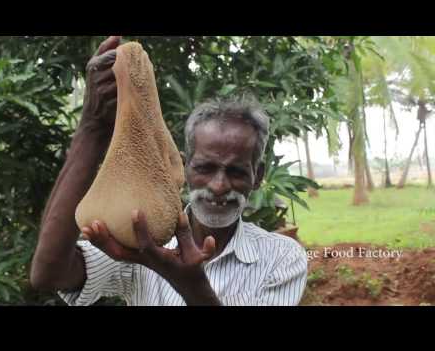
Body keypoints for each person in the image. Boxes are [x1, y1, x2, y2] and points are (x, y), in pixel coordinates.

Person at [30, 36, 308, 306]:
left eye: (236, 172)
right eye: (205, 168)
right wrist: (92, 127)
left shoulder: (281, 256)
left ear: (257, 177)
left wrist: (189, 285)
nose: (219, 186)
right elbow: (48, 274)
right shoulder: (141, 238)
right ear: (185, 167)